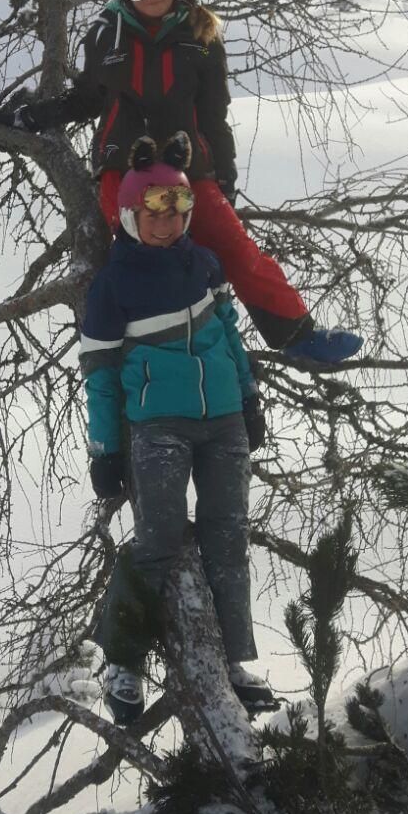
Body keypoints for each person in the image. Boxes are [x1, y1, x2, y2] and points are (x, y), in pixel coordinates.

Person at [0, 0, 361, 365]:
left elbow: (214, 116)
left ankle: (297, 333)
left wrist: (224, 179)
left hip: (188, 166)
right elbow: (89, 98)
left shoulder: (201, 34)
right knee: (142, 257)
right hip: (123, 170)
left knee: (235, 247)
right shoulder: (106, 33)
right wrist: (34, 115)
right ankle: (142, 354)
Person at [80, 133, 277, 723]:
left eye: (176, 212)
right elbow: (101, 377)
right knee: (158, 539)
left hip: (224, 422)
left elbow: (231, 337)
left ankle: (233, 662)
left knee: (228, 537)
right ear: (130, 216)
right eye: (154, 215)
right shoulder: (113, 286)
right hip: (158, 425)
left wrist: (249, 400)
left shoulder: (205, 265)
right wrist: (105, 448)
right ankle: (123, 662)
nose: (167, 225)